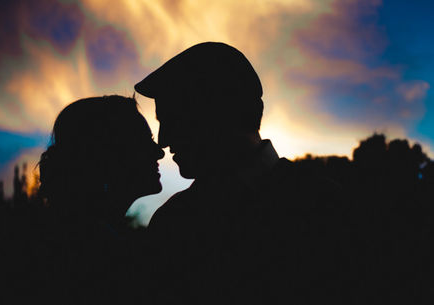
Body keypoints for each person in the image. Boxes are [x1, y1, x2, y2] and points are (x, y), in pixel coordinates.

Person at [135, 42, 344, 304]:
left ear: (217, 113)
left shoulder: (323, 206)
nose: (163, 141)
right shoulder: (172, 220)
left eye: (173, 120)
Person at [4, 95, 164, 304]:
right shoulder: (92, 254)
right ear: (109, 155)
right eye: (144, 141)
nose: (159, 152)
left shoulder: (73, 236)